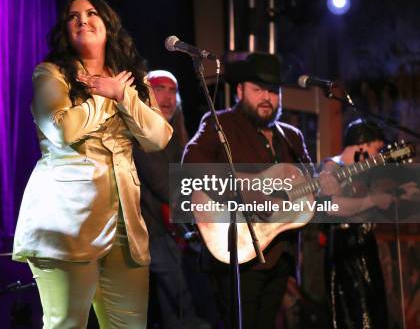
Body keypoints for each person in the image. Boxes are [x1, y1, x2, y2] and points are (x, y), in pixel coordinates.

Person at [12, 0, 173, 329]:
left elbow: (158, 137)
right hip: (67, 221)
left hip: (124, 227)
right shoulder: (50, 74)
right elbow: (62, 130)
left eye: (91, 12)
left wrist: (122, 93)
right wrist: (104, 97)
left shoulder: (129, 81)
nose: (82, 19)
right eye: (73, 16)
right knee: (66, 324)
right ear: (65, 31)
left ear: (108, 25)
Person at [182, 52, 339, 329]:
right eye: (258, 89)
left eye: (273, 91)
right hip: (238, 250)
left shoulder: (291, 136)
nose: (267, 97)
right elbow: (192, 166)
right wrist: (260, 190)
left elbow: (309, 187)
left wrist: (326, 182)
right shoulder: (220, 123)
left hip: (282, 253)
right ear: (240, 90)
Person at [132, 70, 212, 329]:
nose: (166, 97)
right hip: (151, 232)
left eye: (172, 90)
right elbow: (167, 187)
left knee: (178, 311)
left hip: (173, 232)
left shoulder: (177, 138)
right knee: (182, 307)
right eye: (159, 89)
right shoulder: (141, 136)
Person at [321, 119, 419, 328]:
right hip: (345, 250)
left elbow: (373, 202)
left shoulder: (364, 172)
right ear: (362, 144)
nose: (378, 157)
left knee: (374, 313)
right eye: (377, 149)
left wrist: (400, 194)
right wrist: (373, 200)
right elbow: (332, 207)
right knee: (356, 314)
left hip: (365, 244)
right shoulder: (331, 167)